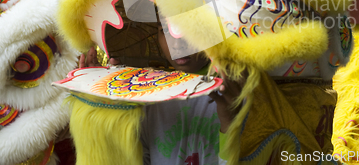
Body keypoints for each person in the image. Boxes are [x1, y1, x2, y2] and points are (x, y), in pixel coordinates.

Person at [80, 13, 243, 165]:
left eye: (189, 27)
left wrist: (230, 123)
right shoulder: (149, 93)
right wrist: (106, 107)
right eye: (165, 29)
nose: (177, 44)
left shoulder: (237, 90)